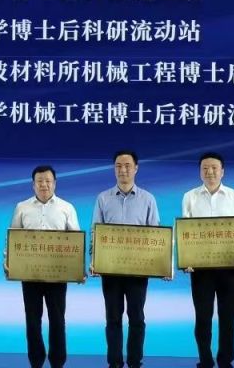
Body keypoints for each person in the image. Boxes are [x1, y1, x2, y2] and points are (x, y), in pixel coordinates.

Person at [181, 152, 234, 368]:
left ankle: (225, 359)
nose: (209, 172)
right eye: (205, 168)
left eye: (214, 168)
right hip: (200, 268)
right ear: (200, 172)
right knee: (203, 317)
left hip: (230, 267)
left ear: (222, 171)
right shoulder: (190, 197)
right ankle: (205, 359)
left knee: (228, 316)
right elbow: (184, 231)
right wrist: (185, 259)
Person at [92, 150, 162, 368]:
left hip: (138, 271)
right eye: (118, 166)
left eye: (127, 166)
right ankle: (114, 362)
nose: (123, 170)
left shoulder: (148, 199)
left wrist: (162, 265)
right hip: (110, 270)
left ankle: (134, 362)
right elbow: (96, 233)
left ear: (136, 168)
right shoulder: (103, 198)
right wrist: (94, 260)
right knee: (113, 318)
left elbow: (156, 235)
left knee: (136, 317)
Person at [5, 165, 80, 368]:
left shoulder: (67, 208)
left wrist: (78, 269)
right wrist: (9, 262)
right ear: (33, 184)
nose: (44, 185)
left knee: (57, 320)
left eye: (48, 181)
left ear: (54, 183)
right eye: (40, 181)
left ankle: (57, 361)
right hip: (30, 275)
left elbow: (76, 242)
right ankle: (36, 361)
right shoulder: (22, 207)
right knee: (32, 320)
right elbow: (13, 239)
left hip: (57, 275)